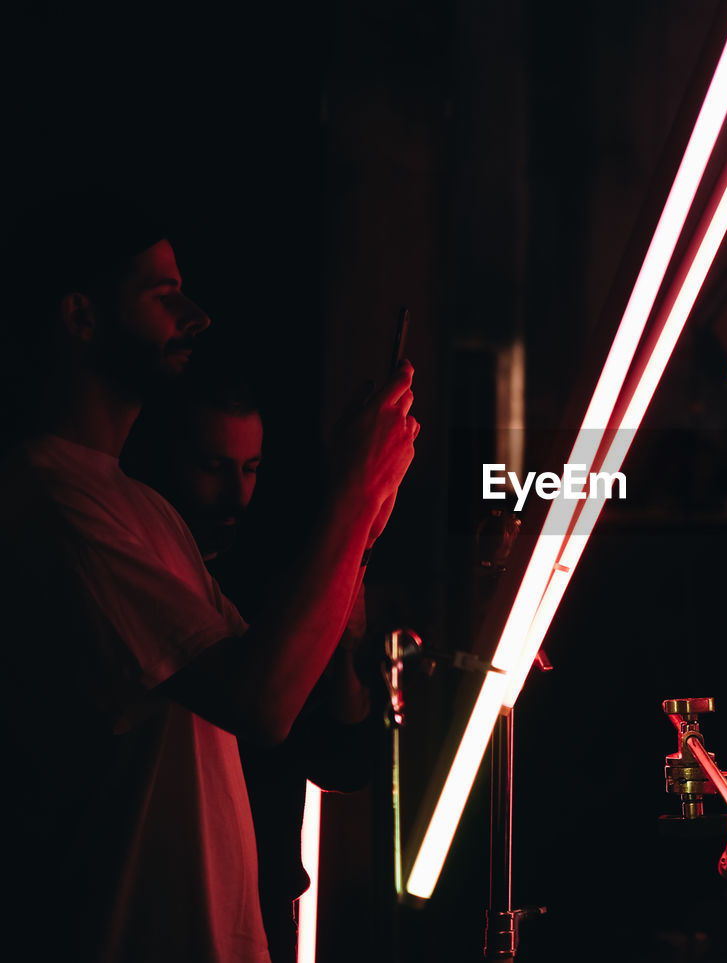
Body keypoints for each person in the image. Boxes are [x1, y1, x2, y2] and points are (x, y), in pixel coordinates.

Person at [0, 192, 417, 962]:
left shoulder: (138, 507)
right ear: (80, 316)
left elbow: (284, 683)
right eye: (163, 295)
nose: (196, 315)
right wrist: (352, 493)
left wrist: (363, 512)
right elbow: (258, 702)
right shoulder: (53, 504)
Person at [122, 354, 380, 962]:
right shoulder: (139, 564)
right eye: (213, 467)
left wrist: (343, 636)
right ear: (162, 457)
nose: (236, 494)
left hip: (264, 910)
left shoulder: (276, 578)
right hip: (159, 914)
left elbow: (343, 765)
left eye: (252, 468)